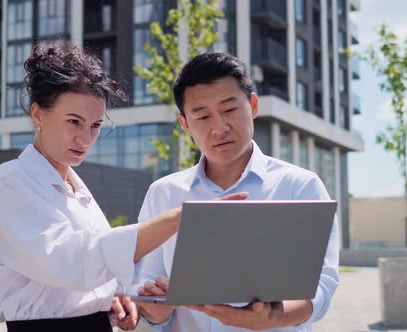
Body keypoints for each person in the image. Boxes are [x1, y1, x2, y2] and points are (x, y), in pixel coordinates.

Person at [0, 42, 245, 332]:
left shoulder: (78, 191)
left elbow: (90, 277)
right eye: (73, 122)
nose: (85, 139)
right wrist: (179, 219)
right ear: (38, 114)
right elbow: (71, 262)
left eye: (94, 126)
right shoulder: (11, 182)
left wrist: (116, 300)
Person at [135, 52, 340, 332]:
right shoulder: (163, 193)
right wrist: (155, 311)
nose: (219, 128)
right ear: (185, 124)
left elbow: (321, 285)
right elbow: (149, 290)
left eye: (229, 110)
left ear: (253, 105)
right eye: (202, 116)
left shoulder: (300, 186)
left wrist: (274, 317)